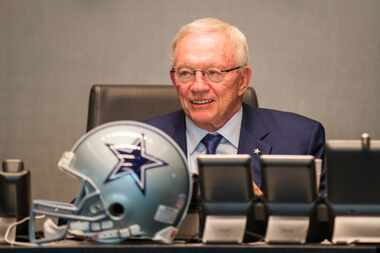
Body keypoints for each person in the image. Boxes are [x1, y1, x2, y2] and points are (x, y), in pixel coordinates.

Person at [146, 17, 326, 195]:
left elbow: (321, 221)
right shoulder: (141, 143)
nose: (198, 86)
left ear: (242, 80)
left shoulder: (299, 141)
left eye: (213, 73)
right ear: (173, 79)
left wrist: (262, 209)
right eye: (185, 73)